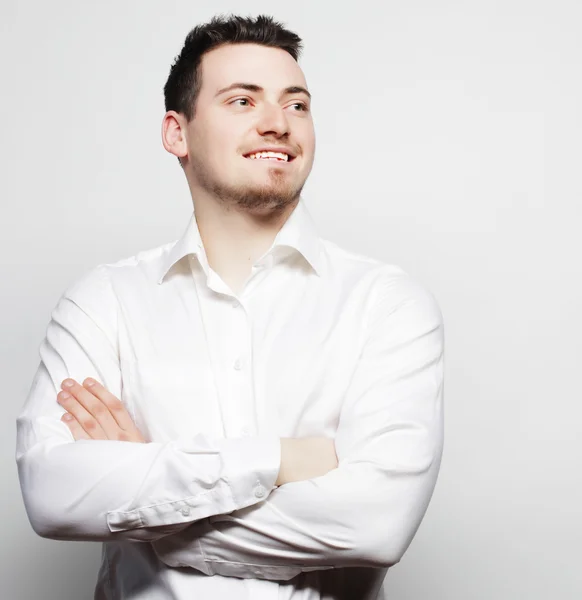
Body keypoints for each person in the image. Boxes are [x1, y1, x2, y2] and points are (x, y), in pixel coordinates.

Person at [16, 14, 444, 600]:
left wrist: (152, 511)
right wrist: (280, 459)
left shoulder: (387, 303)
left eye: (297, 105)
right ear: (177, 133)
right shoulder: (104, 301)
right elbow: (52, 493)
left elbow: (375, 524)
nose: (277, 123)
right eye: (242, 101)